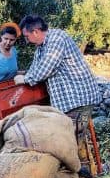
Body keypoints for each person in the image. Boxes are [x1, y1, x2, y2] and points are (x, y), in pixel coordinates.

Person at [14, 15, 101, 169]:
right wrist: (25, 76)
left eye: (27, 36)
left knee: (69, 139)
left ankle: (80, 176)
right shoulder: (40, 48)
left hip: (79, 98)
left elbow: (45, 68)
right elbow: (35, 67)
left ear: (35, 32)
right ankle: (77, 172)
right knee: (65, 136)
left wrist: (25, 79)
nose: (26, 41)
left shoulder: (56, 39)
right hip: (67, 102)